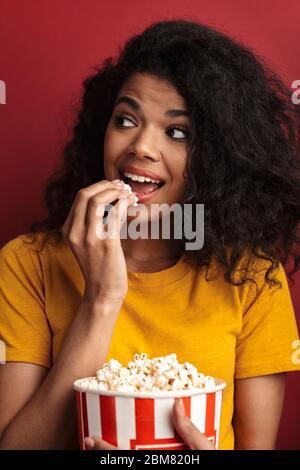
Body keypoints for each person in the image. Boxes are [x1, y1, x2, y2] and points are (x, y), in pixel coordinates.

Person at [0, 19, 300, 451]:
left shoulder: (253, 280)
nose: (141, 146)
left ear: (218, 160)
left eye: (176, 132)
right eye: (125, 120)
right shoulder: (27, 264)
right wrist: (102, 298)